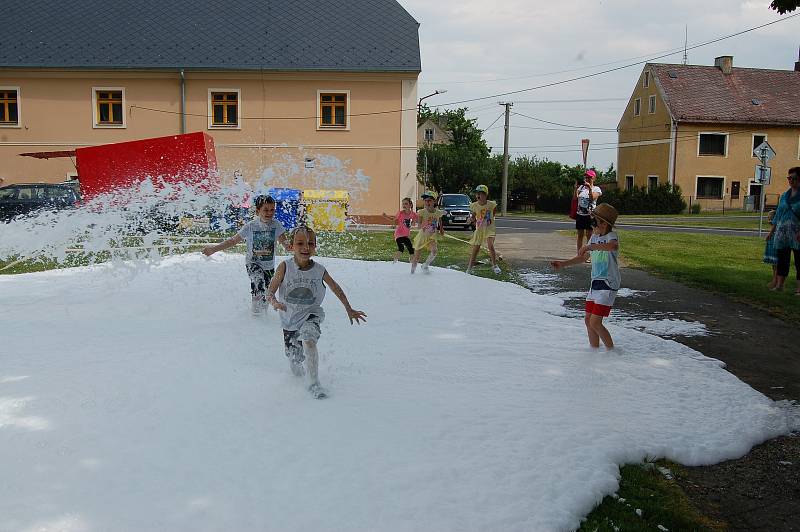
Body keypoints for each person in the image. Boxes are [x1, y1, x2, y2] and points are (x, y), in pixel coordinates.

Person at [266, 226, 367, 399]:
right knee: (295, 361)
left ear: (315, 247)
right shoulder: (285, 267)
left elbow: (335, 288)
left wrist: (348, 309)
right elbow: (269, 291)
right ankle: (301, 375)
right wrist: (274, 302)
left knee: (309, 340)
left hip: (311, 315)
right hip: (289, 319)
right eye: (300, 243)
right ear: (291, 246)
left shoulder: (319, 270)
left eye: (310, 243)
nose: (306, 247)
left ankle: (314, 383)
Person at [203, 195, 288, 313]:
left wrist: (290, 246)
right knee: (258, 281)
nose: (269, 213)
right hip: (252, 263)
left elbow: (284, 242)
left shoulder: (276, 225)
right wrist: (214, 249)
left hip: (269, 266)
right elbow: (233, 241)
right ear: (258, 211)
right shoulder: (251, 226)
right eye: (266, 210)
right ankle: (256, 313)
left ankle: (260, 315)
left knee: (267, 292)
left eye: (272, 209)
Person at [551, 203, 620, 350]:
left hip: (608, 283)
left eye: (595, 220)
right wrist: (564, 264)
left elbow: (612, 247)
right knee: (588, 320)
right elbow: (583, 258)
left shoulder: (611, 237)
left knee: (595, 322)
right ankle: (593, 352)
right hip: (595, 283)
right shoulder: (594, 238)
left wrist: (590, 247)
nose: (592, 224)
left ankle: (612, 353)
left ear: (604, 223)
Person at [766, 167, 800, 294]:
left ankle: (799, 289)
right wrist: (771, 232)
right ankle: (780, 285)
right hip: (782, 234)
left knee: (799, 262)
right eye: (789, 178)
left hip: (797, 235)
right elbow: (778, 214)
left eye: (794, 178)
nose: (791, 180)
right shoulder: (785, 195)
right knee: (782, 260)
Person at [466, 184, 501, 275]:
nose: (478, 195)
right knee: (475, 249)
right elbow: (473, 216)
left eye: (481, 193)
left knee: (490, 245)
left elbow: (493, 214)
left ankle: (495, 266)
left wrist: (489, 219)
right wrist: (471, 220)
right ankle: (469, 268)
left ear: (485, 195)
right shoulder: (474, 205)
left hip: (489, 229)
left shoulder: (491, 204)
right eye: (477, 193)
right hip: (479, 230)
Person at [411, 191, 445, 274]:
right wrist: (422, 225)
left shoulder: (438, 212)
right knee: (416, 257)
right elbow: (419, 225)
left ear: (434, 202)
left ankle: (425, 265)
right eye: (425, 201)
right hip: (422, 236)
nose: (427, 202)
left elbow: (439, 219)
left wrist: (441, 228)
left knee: (434, 251)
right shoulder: (422, 212)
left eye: (429, 200)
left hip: (432, 237)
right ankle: (412, 272)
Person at [575, 169, 602, 261]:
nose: (587, 178)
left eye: (589, 177)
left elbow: (592, 198)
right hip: (580, 214)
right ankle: (579, 254)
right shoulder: (581, 188)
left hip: (590, 215)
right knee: (580, 235)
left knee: (589, 235)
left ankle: (588, 255)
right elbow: (575, 198)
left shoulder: (596, 189)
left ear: (594, 178)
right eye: (586, 177)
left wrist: (590, 188)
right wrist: (576, 188)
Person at [382, 197, 418, 263]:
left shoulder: (414, 214)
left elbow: (415, 222)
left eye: (406, 204)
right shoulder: (401, 213)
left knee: (411, 249)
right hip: (399, 234)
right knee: (401, 248)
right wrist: (386, 216)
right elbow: (393, 219)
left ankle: (412, 263)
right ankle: (394, 262)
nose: (404, 205)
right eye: (403, 204)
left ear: (410, 205)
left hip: (406, 235)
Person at [763, 210, 779, 289]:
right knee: (774, 265)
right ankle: (774, 280)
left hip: (775, 245)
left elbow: (774, 225)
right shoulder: (774, 228)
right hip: (773, 244)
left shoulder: (775, 228)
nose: (768, 219)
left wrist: (769, 234)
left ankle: (775, 281)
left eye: (769, 217)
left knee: (776, 264)